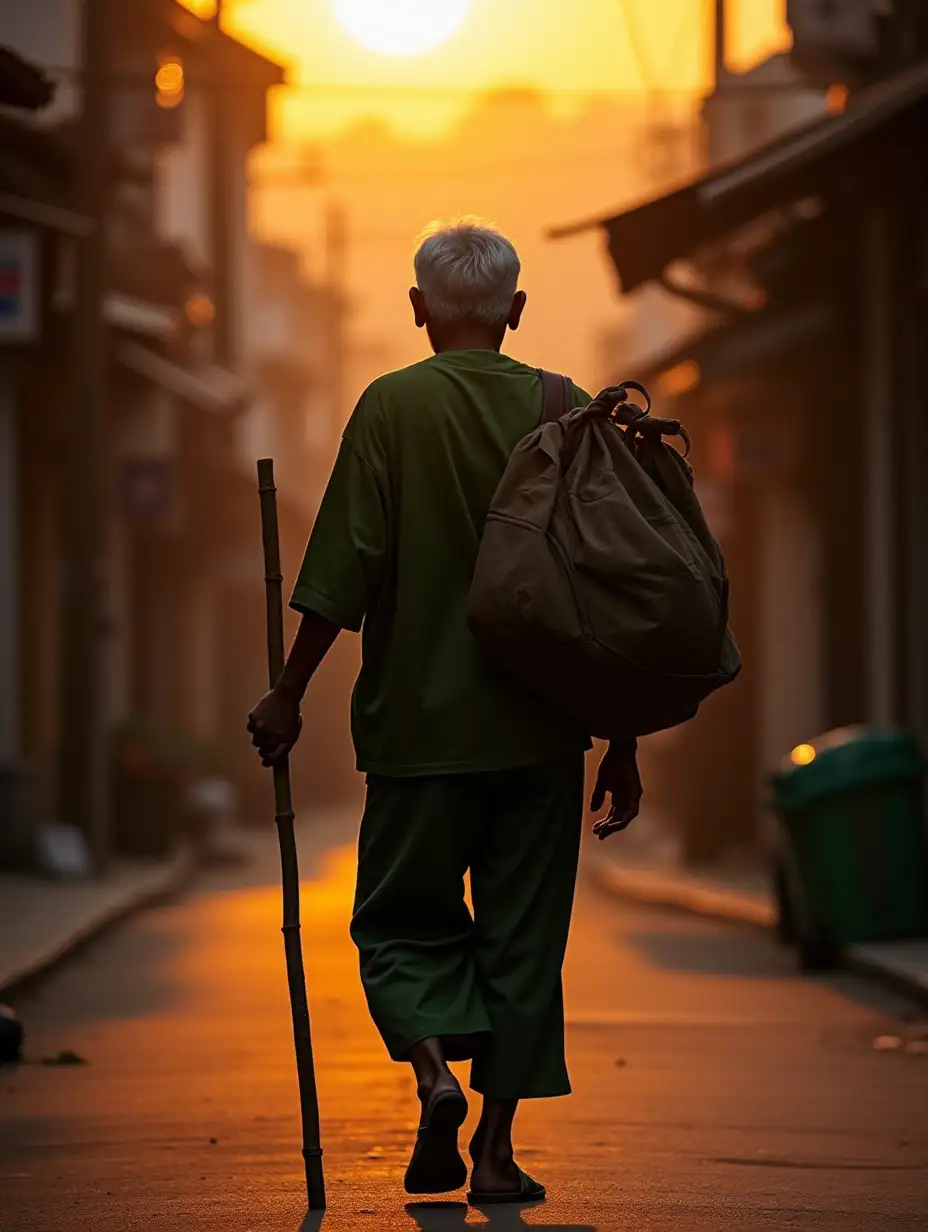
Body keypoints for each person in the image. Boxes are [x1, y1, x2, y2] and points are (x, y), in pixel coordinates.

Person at [247, 219, 642, 1205]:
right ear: (514, 310)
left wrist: (289, 693)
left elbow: (341, 572)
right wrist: (622, 743)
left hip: (417, 734)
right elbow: (612, 590)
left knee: (396, 923)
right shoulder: (563, 408)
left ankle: (431, 1075)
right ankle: (498, 1149)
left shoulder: (389, 409)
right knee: (521, 939)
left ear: (418, 307)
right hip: (541, 735)